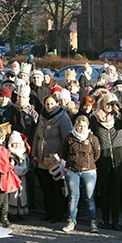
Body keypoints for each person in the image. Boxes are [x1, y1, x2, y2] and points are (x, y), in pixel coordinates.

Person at [89, 92, 122, 230]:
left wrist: (120, 107)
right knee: (105, 190)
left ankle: (116, 222)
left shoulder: (117, 118)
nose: (109, 106)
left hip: (119, 157)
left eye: (111, 103)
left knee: (116, 191)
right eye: (107, 103)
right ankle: (105, 220)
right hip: (103, 157)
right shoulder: (95, 118)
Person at [32, 95, 72, 223]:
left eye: (52, 104)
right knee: (46, 187)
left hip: (55, 159)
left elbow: (67, 139)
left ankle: (57, 213)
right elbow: (37, 137)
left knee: (57, 188)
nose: (49, 106)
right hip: (42, 157)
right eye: (47, 104)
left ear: (57, 104)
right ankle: (48, 212)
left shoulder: (62, 117)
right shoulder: (42, 117)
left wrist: (62, 157)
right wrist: (34, 154)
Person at [61, 115, 101, 233]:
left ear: (87, 126)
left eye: (84, 126)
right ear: (75, 126)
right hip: (73, 170)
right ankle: (71, 221)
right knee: (73, 198)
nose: (81, 128)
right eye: (79, 126)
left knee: (89, 197)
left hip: (89, 171)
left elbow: (97, 154)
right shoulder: (69, 138)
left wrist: (87, 164)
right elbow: (64, 154)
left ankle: (93, 222)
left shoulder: (93, 138)